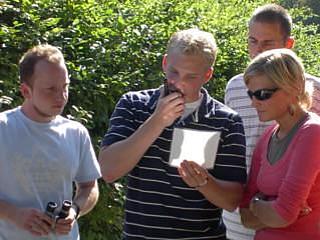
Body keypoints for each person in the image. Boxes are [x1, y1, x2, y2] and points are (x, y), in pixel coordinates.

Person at [99, 28, 247, 239]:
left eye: (191, 76)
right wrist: (157, 121)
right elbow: (108, 170)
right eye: (174, 72)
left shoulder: (226, 121)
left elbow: (232, 201)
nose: (179, 82)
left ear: (207, 75)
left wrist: (204, 183)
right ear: (165, 63)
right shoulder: (133, 104)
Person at [223, 4, 320, 240]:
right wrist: (261, 205)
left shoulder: (315, 96)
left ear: (289, 45)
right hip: (239, 219)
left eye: (267, 43)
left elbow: (287, 211)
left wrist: (282, 207)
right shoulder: (236, 87)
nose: (257, 50)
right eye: (253, 41)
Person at [0, 44, 101, 239]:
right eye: (50, 89)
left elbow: (89, 187)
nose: (61, 96)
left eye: (65, 87)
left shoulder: (76, 133)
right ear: (26, 91)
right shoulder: (3, 128)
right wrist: (14, 214)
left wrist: (74, 210)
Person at [239, 48, 320, 239]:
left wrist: (258, 203)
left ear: (294, 88)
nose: (254, 103)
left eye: (263, 94)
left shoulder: (312, 132)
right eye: (251, 94)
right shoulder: (267, 136)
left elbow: (282, 215)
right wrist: (269, 207)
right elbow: (245, 217)